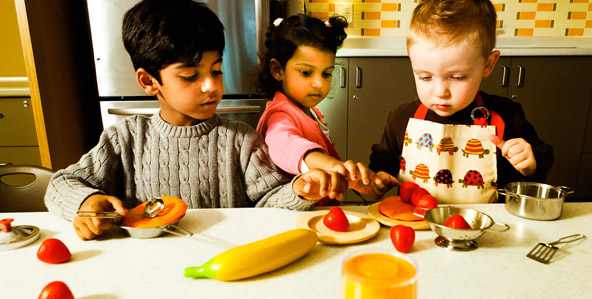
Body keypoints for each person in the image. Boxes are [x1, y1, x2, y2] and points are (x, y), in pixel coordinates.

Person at [44, 0, 348, 240]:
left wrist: (299, 190)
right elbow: (61, 183)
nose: (211, 86)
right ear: (149, 81)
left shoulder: (241, 140)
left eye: (216, 70)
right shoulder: (126, 138)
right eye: (191, 76)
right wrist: (85, 204)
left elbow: (268, 202)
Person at [369, 0, 553, 196]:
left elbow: (543, 156)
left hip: (485, 223)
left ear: (488, 64)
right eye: (425, 77)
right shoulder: (400, 117)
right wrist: (380, 177)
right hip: (418, 222)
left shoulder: (507, 114)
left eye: (458, 77)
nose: (440, 91)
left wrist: (529, 163)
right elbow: (383, 159)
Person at [254, 14, 398, 200]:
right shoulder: (279, 114)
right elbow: (284, 144)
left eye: (326, 74)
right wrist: (333, 166)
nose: (318, 84)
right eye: (306, 73)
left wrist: (363, 182)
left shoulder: (309, 111)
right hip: (291, 217)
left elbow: (333, 169)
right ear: (277, 70)